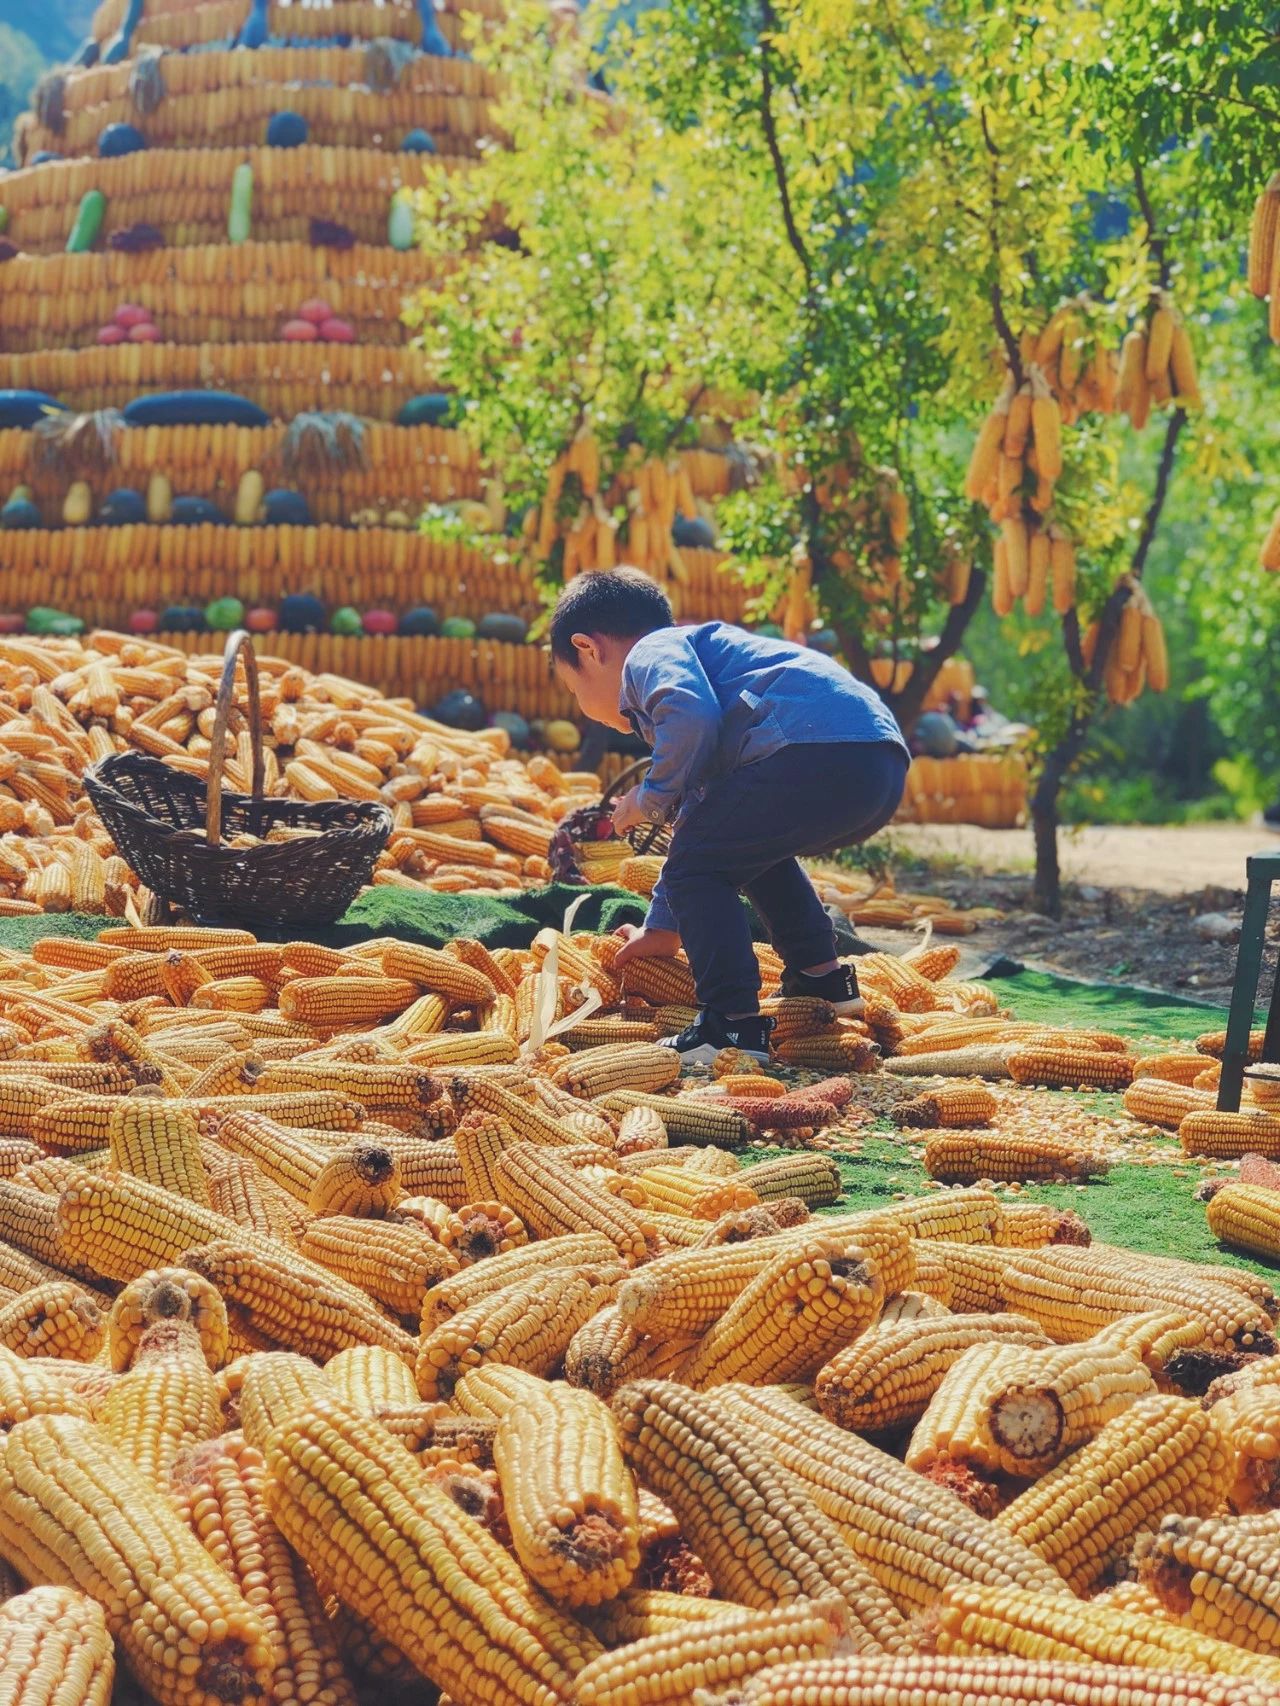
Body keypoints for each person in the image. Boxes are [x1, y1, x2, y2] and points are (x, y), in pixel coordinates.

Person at [549, 568, 910, 1064]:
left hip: (810, 748)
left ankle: (731, 1026)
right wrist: (662, 925)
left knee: (701, 869)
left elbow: (690, 714)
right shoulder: (707, 665)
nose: (581, 705)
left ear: (589, 650)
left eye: (574, 689)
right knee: (744, 851)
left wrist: (649, 797)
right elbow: (701, 825)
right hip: (874, 762)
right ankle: (820, 980)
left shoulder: (650, 653)